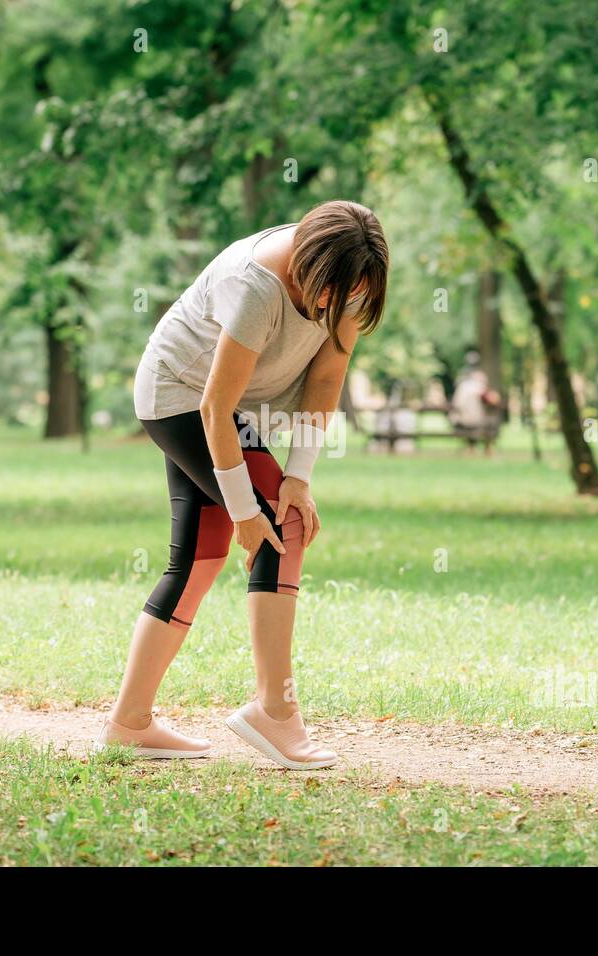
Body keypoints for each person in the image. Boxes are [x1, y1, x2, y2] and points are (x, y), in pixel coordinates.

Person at [98, 200, 389, 770]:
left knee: (205, 556)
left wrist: (299, 478)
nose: (334, 305)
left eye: (349, 294)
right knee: (284, 530)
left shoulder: (353, 275)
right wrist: (246, 511)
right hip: (182, 397)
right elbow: (215, 406)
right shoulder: (255, 285)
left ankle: (129, 722)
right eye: (328, 292)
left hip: (235, 410)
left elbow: (327, 376)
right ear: (308, 262)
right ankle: (273, 712)